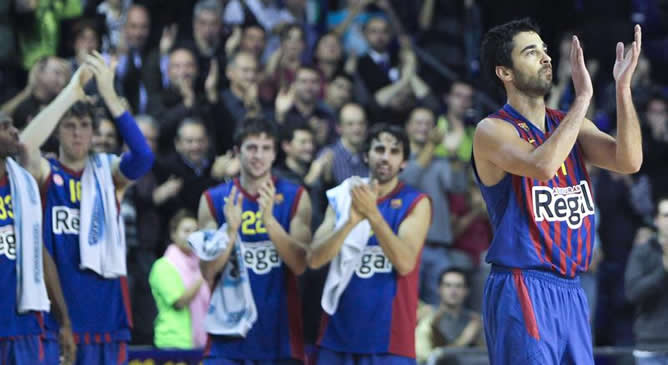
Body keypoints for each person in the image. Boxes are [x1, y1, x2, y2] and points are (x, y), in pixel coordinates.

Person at [474, 19, 643, 364]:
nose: (546, 58)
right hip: (523, 284)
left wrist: (623, 89)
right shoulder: (492, 130)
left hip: (572, 289)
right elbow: (541, 166)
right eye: (531, 51)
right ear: (504, 72)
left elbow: (629, 161)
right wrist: (582, 98)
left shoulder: (569, 125)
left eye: (545, 50)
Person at [19, 51, 154, 364]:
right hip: (58, 314)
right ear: (58, 131)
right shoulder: (46, 174)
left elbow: (144, 157)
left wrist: (108, 94)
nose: (77, 132)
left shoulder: (109, 173)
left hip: (108, 312)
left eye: (83, 125)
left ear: (93, 132)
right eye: (69, 126)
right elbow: (25, 146)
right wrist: (69, 95)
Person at [308, 123, 432, 365]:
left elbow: (405, 263)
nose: (386, 157)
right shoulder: (344, 195)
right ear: (366, 155)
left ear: (404, 162)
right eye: (379, 149)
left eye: (394, 151)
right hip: (336, 333)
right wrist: (349, 223)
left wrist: (372, 215)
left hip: (389, 339)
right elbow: (314, 259)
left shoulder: (415, 202)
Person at [194, 117, 312, 364]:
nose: (258, 155)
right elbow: (208, 271)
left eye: (265, 148)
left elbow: (300, 265)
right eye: (251, 148)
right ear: (238, 152)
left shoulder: (296, 196)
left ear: (274, 153)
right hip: (227, 337)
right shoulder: (213, 199)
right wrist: (230, 231)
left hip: (280, 336)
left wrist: (269, 221)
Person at [0, 111, 76, 364]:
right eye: (5, 126)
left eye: (13, 124)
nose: (14, 131)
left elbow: (39, 253)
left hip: (25, 325)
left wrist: (63, 320)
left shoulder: (23, 184)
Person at [149, 209, 210, 349]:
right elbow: (179, 302)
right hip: (173, 343)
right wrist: (204, 274)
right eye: (186, 231)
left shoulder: (200, 264)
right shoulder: (163, 266)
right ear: (173, 235)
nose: (191, 236)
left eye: (195, 231)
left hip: (200, 343)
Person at [625, 196, 668, 364]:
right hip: (650, 348)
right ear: (656, 220)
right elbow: (633, 293)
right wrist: (663, 270)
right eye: (666, 215)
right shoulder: (642, 252)